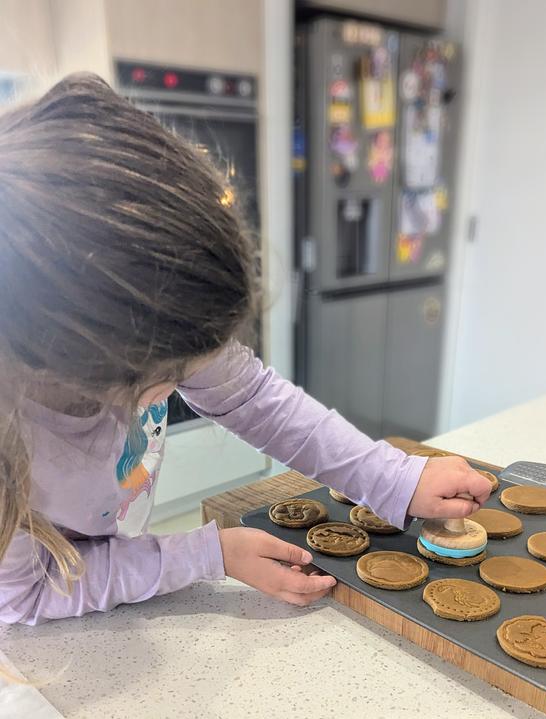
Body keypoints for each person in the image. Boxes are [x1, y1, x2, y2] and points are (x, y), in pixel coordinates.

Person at [0, 74, 490, 626]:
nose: (192, 378)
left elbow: (253, 398)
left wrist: (395, 479)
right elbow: (27, 594)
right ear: (75, 364)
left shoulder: (140, 319)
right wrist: (205, 553)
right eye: (173, 373)